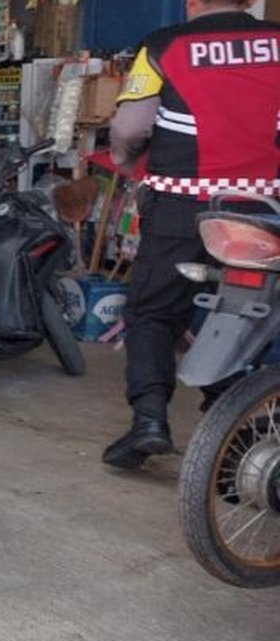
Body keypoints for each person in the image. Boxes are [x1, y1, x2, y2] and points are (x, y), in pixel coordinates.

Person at [104, 0, 280, 469]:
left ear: (192, 1)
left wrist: (123, 163)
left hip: (185, 211)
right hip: (269, 210)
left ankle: (149, 420)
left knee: (152, 312)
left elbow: (130, 126)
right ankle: (239, 433)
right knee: (258, 311)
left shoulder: (163, 46)